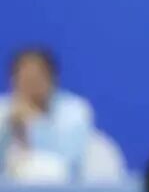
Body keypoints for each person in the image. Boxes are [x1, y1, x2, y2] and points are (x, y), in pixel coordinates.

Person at [0, 48, 93, 182]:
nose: (31, 85)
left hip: (60, 186)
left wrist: (35, 122)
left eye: (36, 78)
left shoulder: (75, 111)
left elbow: (70, 161)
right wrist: (7, 125)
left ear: (52, 78)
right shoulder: (4, 110)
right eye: (25, 78)